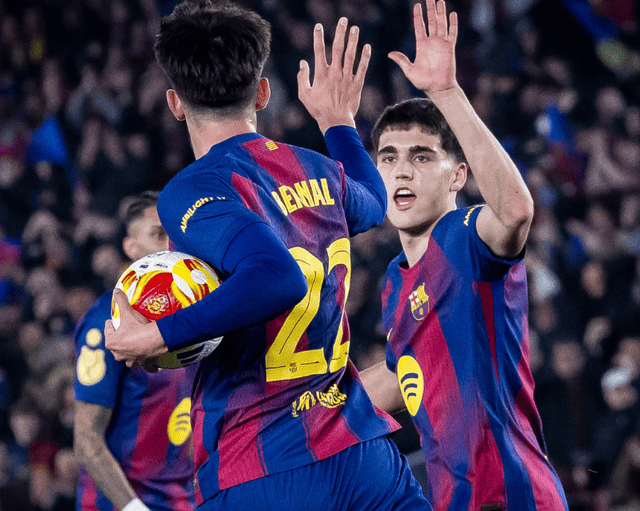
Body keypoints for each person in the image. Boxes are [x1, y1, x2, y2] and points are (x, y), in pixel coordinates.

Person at [105, 2, 430, 510]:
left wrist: (157, 334)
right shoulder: (317, 168)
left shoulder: (194, 189)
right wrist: (337, 121)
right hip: (362, 455)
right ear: (262, 93)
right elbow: (373, 200)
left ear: (174, 103)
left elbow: (277, 277)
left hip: (260, 466)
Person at [358, 1, 570, 510]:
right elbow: (403, 374)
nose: (401, 171)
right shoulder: (394, 280)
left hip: (512, 494)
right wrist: (301, 404)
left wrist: (447, 93)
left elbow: (515, 211)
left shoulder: (464, 235)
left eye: (421, 156)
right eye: (389, 158)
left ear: (457, 176)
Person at [74, 191, 196, 511]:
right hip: (119, 504)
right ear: (130, 248)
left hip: (184, 501)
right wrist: (133, 508)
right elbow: (87, 440)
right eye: (158, 234)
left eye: (176, 233)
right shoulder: (105, 323)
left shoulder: (198, 316)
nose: (171, 244)